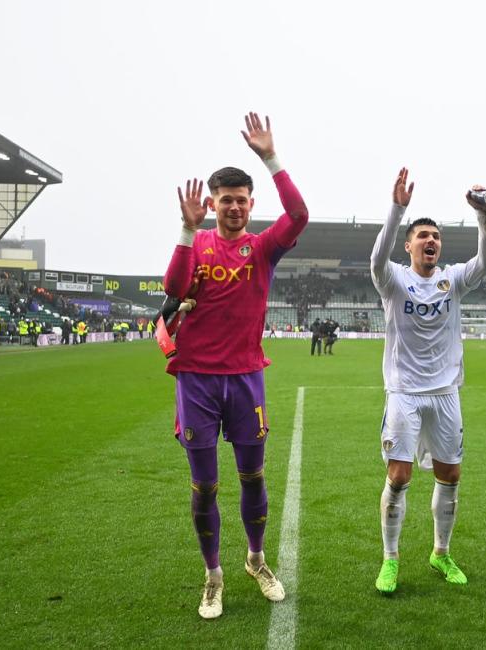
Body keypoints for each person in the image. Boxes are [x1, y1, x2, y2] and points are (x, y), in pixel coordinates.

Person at [164, 112, 308, 619]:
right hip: (198, 380)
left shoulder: (263, 248)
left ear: (251, 204)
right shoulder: (197, 243)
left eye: (241, 199)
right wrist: (186, 227)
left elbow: (300, 216)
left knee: (253, 477)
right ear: (213, 204)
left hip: (247, 378)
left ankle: (255, 560)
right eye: (224, 199)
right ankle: (213, 576)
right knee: (204, 486)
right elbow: (175, 289)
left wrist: (270, 157)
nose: (233, 206)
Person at [370, 167, 486, 594]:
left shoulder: (452, 280)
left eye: (435, 237)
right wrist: (397, 209)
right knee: (400, 476)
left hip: (445, 394)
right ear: (408, 246)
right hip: (404, 393)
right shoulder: (393, 281)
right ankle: (390, 560)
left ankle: (440, 553)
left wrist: (484, 217)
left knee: (450, 475)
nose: (430, 241)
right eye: (422, 236)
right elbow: (375, 259)